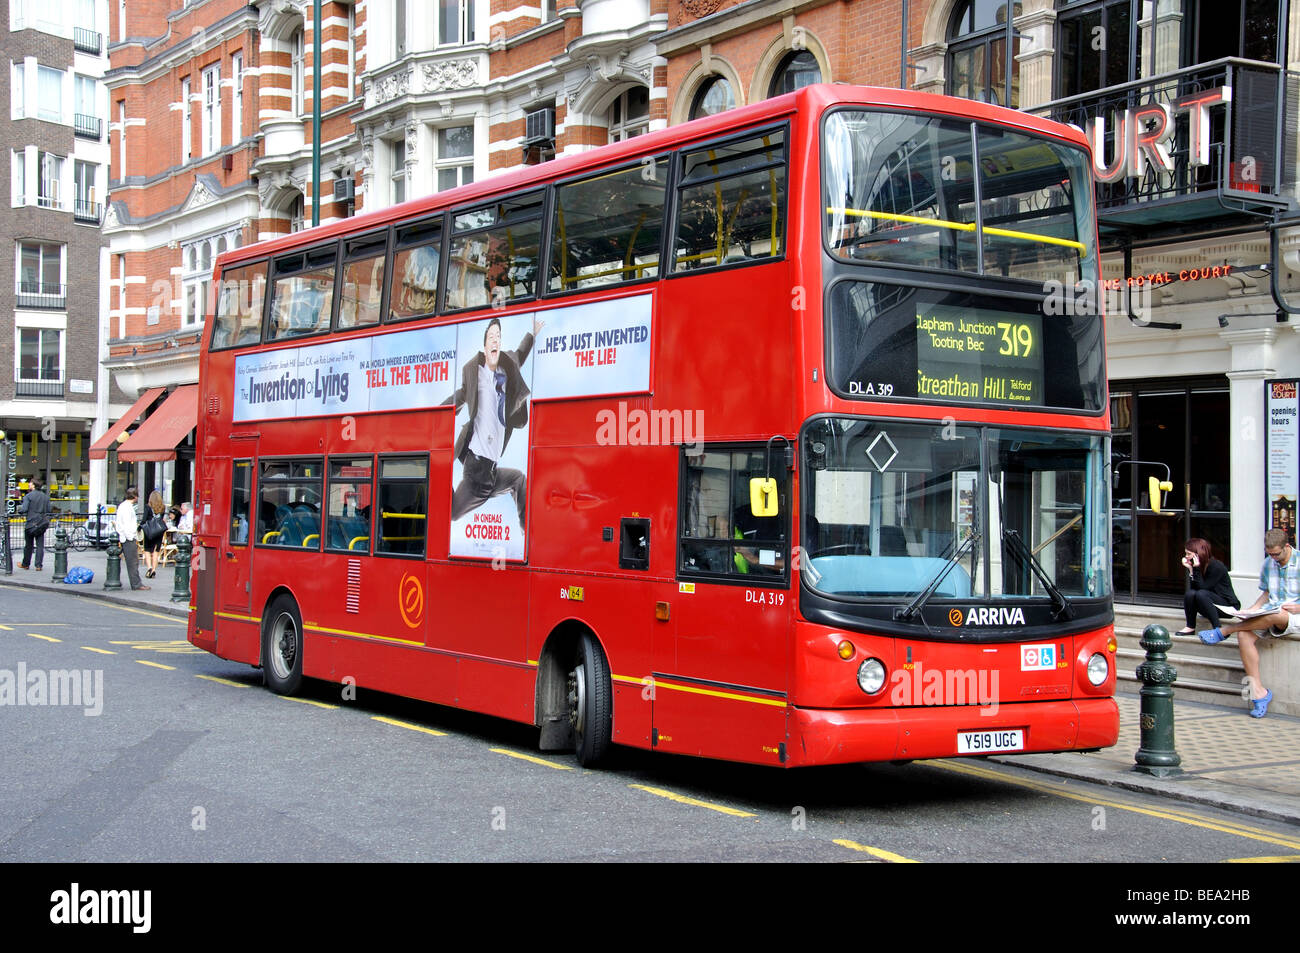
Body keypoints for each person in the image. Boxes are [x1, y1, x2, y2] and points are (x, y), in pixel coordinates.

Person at [445, 315, 542, 526]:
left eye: (498, 336)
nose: (495, 340)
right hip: (475, 473)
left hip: (492, 473)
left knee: (518, 479)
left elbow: (519, 355)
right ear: (485, 344)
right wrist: (437, 413)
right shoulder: (473, 372)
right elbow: (461, 395)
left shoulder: (507, 368)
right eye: (491, 336)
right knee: (451, 513)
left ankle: (527, 533)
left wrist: (532, 334)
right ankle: (437, 479)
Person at [1199, 528, 1300, 718]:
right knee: (1244, 634)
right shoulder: (1268, 564)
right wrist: (1250, 611)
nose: (1274, 558)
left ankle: (1225, 630)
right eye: (1270, 554)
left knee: (1279, 614)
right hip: (1272, 612)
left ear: (1287, 546)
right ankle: (1259, 693)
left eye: (1277, 554)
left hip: (1293, 615)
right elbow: (1267, 595)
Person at [1177, 537, 1238, 635]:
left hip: (1227, 607)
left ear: (1198, 554)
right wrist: (1191, 570)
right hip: (1209, 604)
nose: (1186, 556)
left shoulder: (1216, 566)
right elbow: (1194, 591)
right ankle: (1190, 627)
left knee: (1201, 594)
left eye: (1189, 554)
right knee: (1190, 594)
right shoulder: (1198, 565)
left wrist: (1195, 569)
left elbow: (1203, 588)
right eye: (1186, 553)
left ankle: (1218, 629)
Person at [115, 487, 147, 590]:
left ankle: (136, 583)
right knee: (133, 562)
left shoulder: (124, 506)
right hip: (128, 538)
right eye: (137, 495)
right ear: (134, 496)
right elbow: (126, 524)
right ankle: (136, 584)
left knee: (133, 561)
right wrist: (131, 537)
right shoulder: (127, 508)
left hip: (127, 537)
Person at [17, 478, 51, 571]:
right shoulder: (45, 497)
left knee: (28, 545)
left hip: (30, 524)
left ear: (34, 485)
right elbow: (49, 510)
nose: (29, 484)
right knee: (40, 545)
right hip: (41, 523)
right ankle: (38, 565)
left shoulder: (28, 496)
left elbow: (24, 509)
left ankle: (26, 564)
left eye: (30, 483)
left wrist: (19, 511)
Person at [141, 490, 167, 578]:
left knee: (147, 550)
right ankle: (154, 570)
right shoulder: (163, 507)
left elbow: (144, 519)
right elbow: (161, 519)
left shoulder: (148, 507)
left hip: (149, 531)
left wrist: (140, 527)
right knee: (156, 551)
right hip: (159, 532)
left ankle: (149, 568)